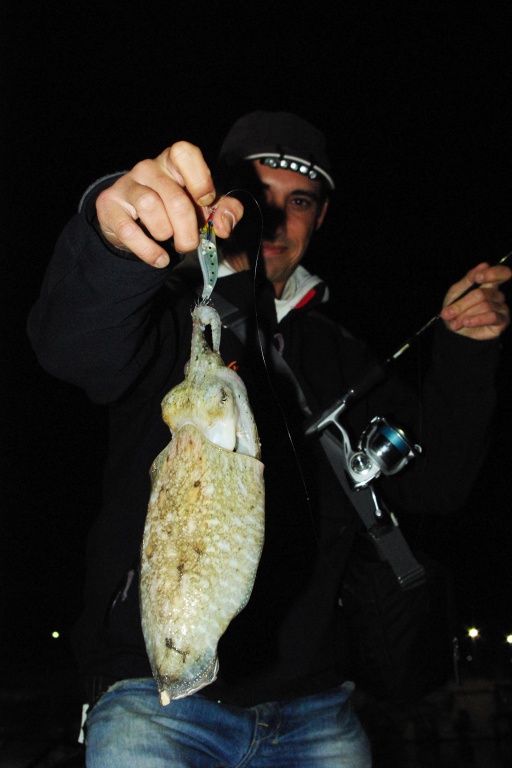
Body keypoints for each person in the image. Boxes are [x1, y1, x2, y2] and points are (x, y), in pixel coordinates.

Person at [28, 111, 510, 767]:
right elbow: (71, 348)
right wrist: (115, 239)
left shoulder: (341, 354)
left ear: (321, 219)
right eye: (258, 198)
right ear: (219, 202)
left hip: (318, 713)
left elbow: (439, 484)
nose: (279, 221)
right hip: (154, 701)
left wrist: (465, 354)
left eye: (301, 201)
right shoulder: (168, 321)